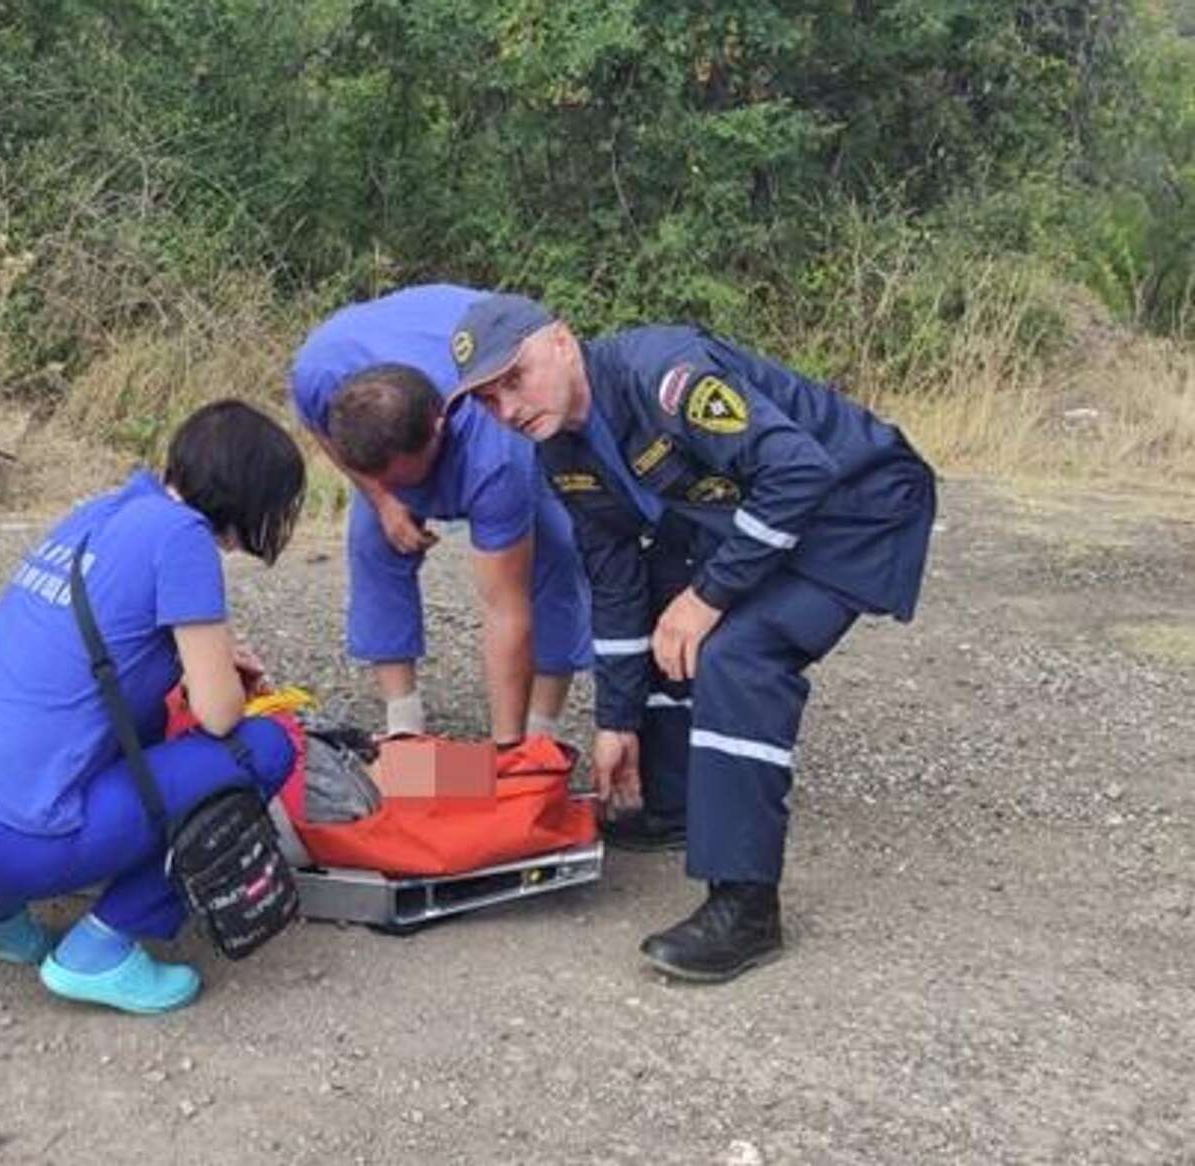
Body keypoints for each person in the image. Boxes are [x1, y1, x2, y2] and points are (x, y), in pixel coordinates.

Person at [449, 293, 937, 982]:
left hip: (857, 508)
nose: (508, 407)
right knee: (660, 597)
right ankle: (670, 800)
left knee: (739, 654)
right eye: (487, 401)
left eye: (514, 377)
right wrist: (616, 721)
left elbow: (800, 472)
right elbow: (615, 583)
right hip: (767, 516)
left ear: (561, 341)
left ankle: (745, 905)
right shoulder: (559, 451)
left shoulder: (667, 377)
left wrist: (708, 599)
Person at [0, 401, 304, 1016]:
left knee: (139, 723)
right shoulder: (184, 538)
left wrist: (187, 662)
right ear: (251, 497)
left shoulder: (104, 511)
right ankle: (101, 948)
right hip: (2, 836)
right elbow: (221, 716)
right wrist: (220, 673)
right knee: (264, 747)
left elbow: (89, 661)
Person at [289, 284, 592, 747]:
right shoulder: (319, 373)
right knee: (374, 540)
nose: (413, 494)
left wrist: (505, 755)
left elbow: (503, 608)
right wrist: (384, 500)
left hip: (476, 382)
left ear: (438, 430)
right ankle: (403, 724)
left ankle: (537, 736)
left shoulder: (495, 447)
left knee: (556, 549)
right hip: (393, 383)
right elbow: (318, 426)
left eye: (412, 481)